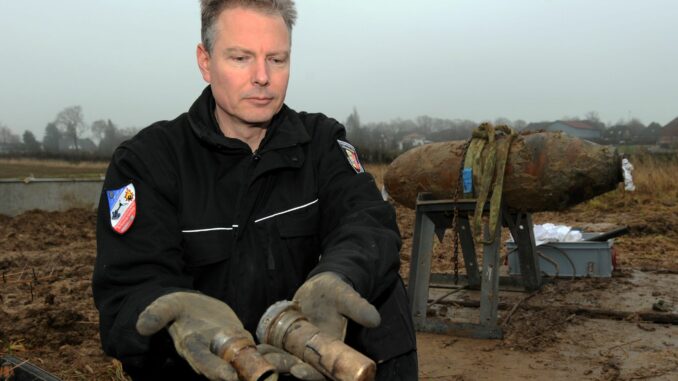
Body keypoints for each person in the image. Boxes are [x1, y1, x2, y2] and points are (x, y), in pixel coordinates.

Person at [92, 0, 417, 380]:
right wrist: (176, 315)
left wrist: (338, 277)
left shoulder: (322, 143)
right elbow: (128, 289)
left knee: (380, 284)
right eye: (241, 58)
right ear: (205, 61)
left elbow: (368, 223)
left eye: (277, 59)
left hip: (322, 363)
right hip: (215, 371)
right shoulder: (148, 163)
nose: (262, 76)